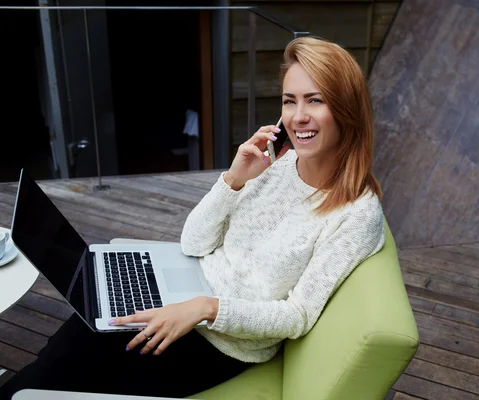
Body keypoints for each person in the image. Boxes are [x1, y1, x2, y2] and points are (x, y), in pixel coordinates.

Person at [0, 36, 385, 399]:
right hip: (191, 294)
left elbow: (297, 315)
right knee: (70, 343)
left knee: (67, 363)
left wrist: (205, 307)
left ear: (346, 108)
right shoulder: (280, 164)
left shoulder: (356, 215)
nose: (298, 116)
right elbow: (194, 243)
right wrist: (233, 181)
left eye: (315, 100)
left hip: (223, 343)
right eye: (289, 101)